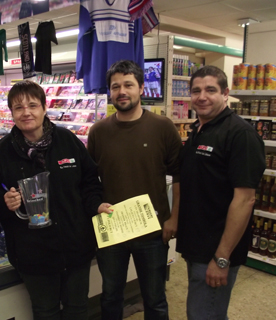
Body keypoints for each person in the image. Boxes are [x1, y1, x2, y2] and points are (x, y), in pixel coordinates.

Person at [0, 80, 111, 320]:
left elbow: (89, 182)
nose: (26, 112)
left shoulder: (68, 141)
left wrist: (95, 204)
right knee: (46, 312)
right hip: (33, 253)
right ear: (11, 113)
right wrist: (4, 201)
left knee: (77, 310)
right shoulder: (1, 153)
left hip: (75, 247)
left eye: (32, 105)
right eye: (18, 107)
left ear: (44, 108)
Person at [87, 60, 182, 320]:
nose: (122, 91)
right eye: (115, 86)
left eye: (128, 84)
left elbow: (180, 177)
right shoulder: (98, 131)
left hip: (152, 231)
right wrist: (95, 206)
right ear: (109, 91)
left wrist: (174, 218)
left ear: (141, 88)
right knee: (110, 296)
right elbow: (89, 180)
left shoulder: (163, 127)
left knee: (154, 298)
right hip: (112, 229)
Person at [177, 65, 265, 319]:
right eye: (196, 90)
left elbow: (245, 200)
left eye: (210, 90)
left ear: (225, 93)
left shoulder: (240, 135)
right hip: (198, 244)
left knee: (203, 314)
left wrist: (222, 258)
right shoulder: (198, 129)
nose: (202, 96)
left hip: (217, 249)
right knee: (209, 311)